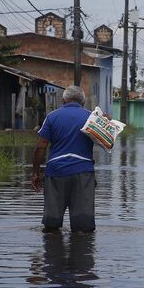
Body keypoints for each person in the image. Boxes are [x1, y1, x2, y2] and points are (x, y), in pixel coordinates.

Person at [31, 86, 96, 234]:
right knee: (83, 228)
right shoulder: (92, 118)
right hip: (83, 172)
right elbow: (107, 142)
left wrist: (35, 173)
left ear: (63, 100)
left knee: (51, 226)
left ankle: (53, 253)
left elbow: (41, 147)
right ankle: (82, 254)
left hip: (56, 172)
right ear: (83, 101)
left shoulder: (52, 116)